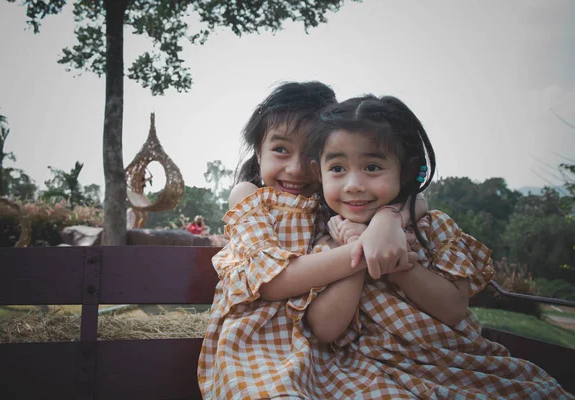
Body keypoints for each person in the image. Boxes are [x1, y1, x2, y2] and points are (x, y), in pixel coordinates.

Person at [304, 94, 573, 398]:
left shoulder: (433, 229)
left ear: (404, 171)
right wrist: (357, 250)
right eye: (337, 168)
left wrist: (401, 265)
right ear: (318, 173)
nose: (353, 184)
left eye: (372, 167)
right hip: (369, 369)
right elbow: (326, 328)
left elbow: (453, 309)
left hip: (454, 363)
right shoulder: (327, 236)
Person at [197, 82, 427, 399]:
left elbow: (417, 199)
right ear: (258, 152)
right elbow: (273, 282)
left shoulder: (333, 202)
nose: (295, 168)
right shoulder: (250, 197)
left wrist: (388, 219)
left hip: (328, 350)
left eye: (309, 154)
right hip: (256, 345)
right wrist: (359, 247)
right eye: (280, 149)